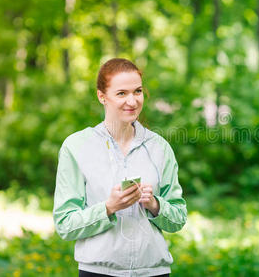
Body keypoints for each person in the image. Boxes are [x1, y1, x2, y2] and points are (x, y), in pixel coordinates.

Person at [53, 58, 187, 277]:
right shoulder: (76, 147)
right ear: (102, 96)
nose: (132, 101)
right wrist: (108, 207)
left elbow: (178, 218)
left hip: (154, 273)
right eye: (121, 93)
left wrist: (154, 204)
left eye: (138, 91)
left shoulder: (159, 148)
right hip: (98, 273)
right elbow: (65, 224)